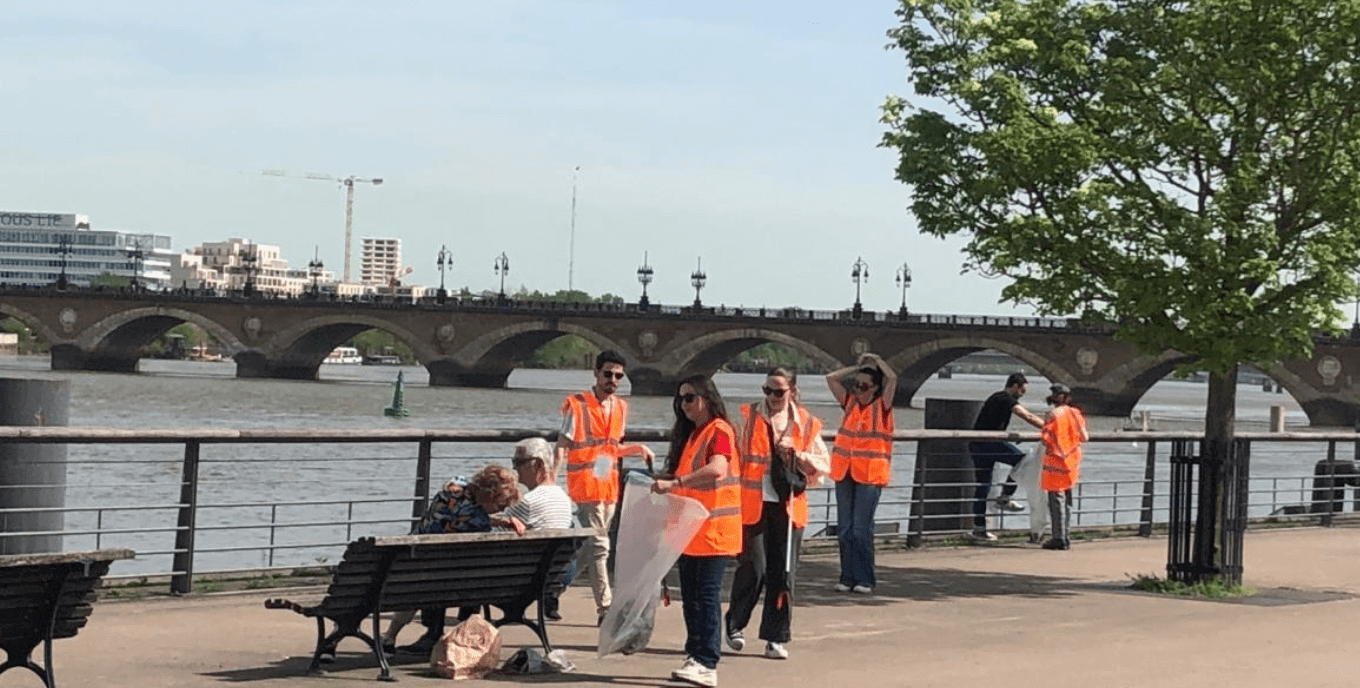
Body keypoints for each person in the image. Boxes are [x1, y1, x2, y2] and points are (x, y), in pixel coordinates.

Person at [725, 368, 829, 660]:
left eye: (779, 392)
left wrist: (798, 454)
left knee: (783, 574)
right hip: (753, 503)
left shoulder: (806, 423)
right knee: (753, 568)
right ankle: (734, 624)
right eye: (767, 390)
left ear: (792, 391)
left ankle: (776, 637)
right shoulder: (747, 417)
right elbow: (732, 456)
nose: (772, 397)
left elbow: (824, 466)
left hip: (789, 506)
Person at [651, 375, 741, 688]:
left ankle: (707, 661)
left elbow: (718, 469)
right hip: (691, 531)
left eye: (690, 398)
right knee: (691, 598)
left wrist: (676, 483)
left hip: (714, 530)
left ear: (707, 398)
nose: (684, 404)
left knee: (705, 597)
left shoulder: (719, 430)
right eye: (681, 399)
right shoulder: (692, 435)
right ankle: (695, 656)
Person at [555, 350, 655, 625]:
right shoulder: (578, 405)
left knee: (592, 546)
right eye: (608, 374)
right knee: (600, 545)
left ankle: (552, 587)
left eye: (618, 376)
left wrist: (638, 449)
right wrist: (551, 481)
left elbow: (611, 448)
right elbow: (562, 446)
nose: (613, 380)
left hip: (609, 485)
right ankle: (606, 610)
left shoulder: (620, 407)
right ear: (596, 373)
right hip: (585, 486)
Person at [392, 464, 521, 655]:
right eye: (500, 505)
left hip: (418, 564)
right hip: (450, 578)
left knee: (441, 572)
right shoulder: (477, 521)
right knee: (467, 571)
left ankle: (428, 634)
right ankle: (464, 628)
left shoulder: (450, 493)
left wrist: (499, 520)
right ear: (487, 496)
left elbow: (460, 514)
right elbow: (471, 518)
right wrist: (501, 522)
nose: (501, 510)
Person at [825, 352, 896, 595]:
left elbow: (893, 379)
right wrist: (857, 367)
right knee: (845, 530)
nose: (858, 390)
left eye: (864, 386)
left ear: (875, 388)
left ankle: (865, 579)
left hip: (869, 475)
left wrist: (877, 361)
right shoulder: (850, 404)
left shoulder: (882, 407)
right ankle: (847, 577)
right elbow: (831, 379)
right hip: (845, 472)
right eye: (856, 385)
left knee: (861, 530)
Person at [491, 438, 575, 619]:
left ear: (537, 465)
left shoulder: (528, 502)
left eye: (519, 462)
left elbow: (491, 535)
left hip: (520, 579)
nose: (514, 468)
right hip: (551, 576)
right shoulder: (563, 498)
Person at [968, 372, 1045, 542]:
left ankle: (979, 529)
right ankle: (1005, 497)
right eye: (1023, 390)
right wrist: (1049, 428)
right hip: (991, 443)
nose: (1023, 394)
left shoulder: (995, 397)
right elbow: (1027, 415)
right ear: (1015, 386)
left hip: (977, 444)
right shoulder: (1006, 398)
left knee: (982, 487)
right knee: (1023, 460)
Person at [1040, 384, 1088, 550]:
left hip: (1055, 462)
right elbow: (1084, 437)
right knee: (1067, 501)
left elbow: (1045, 438)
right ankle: (1066, 536)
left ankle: (1058, 538)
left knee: (1056, 501)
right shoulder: (1075, 413)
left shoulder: (1053, 414)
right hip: (1072, 462)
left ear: (1054, 397)